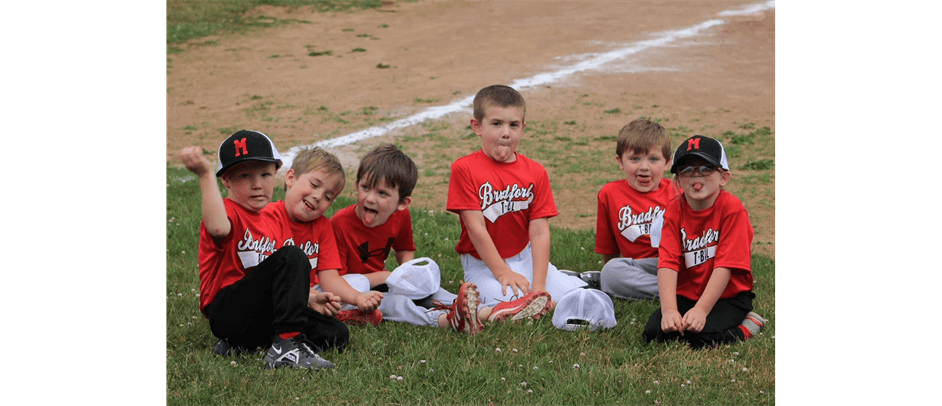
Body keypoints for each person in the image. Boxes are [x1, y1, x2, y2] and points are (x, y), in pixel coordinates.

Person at [328, 144, 553, 334]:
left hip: (378, 284)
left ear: (402, 203)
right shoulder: (340, 223)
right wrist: (387, 277)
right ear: (356, 186)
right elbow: (335, 280)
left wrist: (410, 275)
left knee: (433, 293)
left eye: (382, 193)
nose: (370, 198)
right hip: (347, 292)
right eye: (365, 188)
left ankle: (493, 310)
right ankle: (449, 321)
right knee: (398, 303)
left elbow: (404, 249)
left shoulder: (400, 216)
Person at [180, 130, 342, 370]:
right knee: (293, 255)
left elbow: (275, 280)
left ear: (276, 174)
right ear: (226, 180)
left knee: (335, 333)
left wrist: (310, 298)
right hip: (226, 313)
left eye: (265, 174)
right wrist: (205, 175)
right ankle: (286, 348)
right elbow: (217, 227)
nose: (257, 184)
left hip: (257, 314)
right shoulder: (228, 212)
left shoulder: (271, 220)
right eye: (245, 176)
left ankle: (240, 345)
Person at [446, 84, 586, 308]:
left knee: (577, 298)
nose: (505, 133)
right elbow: (475, 228)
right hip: (483, 264)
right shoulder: (464, 169)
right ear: (477, 126)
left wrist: (540, 286)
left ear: (523, 128)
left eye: (514, 125)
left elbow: (539, 232)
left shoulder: (535, 171)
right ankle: (522, 288)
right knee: (513, 303)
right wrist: (502, 272)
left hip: (526, 259)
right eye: (496, 124)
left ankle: (559, 278)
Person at [641, 135, 767, 349]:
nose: (696, 175)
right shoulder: (674, 209)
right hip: (687, 293)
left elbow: (724, 267)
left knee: (700, 338)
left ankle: (747, 326)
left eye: (706, 168)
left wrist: (701, 310)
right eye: (687, 170)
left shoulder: (732, 209)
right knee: (655, 334)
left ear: (724, 177)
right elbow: (668, 263)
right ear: (677, 181)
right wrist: (670, 310)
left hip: (729, 296)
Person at [595, 119, 675, 300]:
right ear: (620, 161)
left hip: (673, 264)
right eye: (634, 158)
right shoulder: (610, 193)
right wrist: (612, 272)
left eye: (654, 159)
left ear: (667, 163)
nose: (644, 167)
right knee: (611, 272)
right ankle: (683, 293)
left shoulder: (677, 192)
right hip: (639, 268)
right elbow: (609, 249)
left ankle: (683, 290)